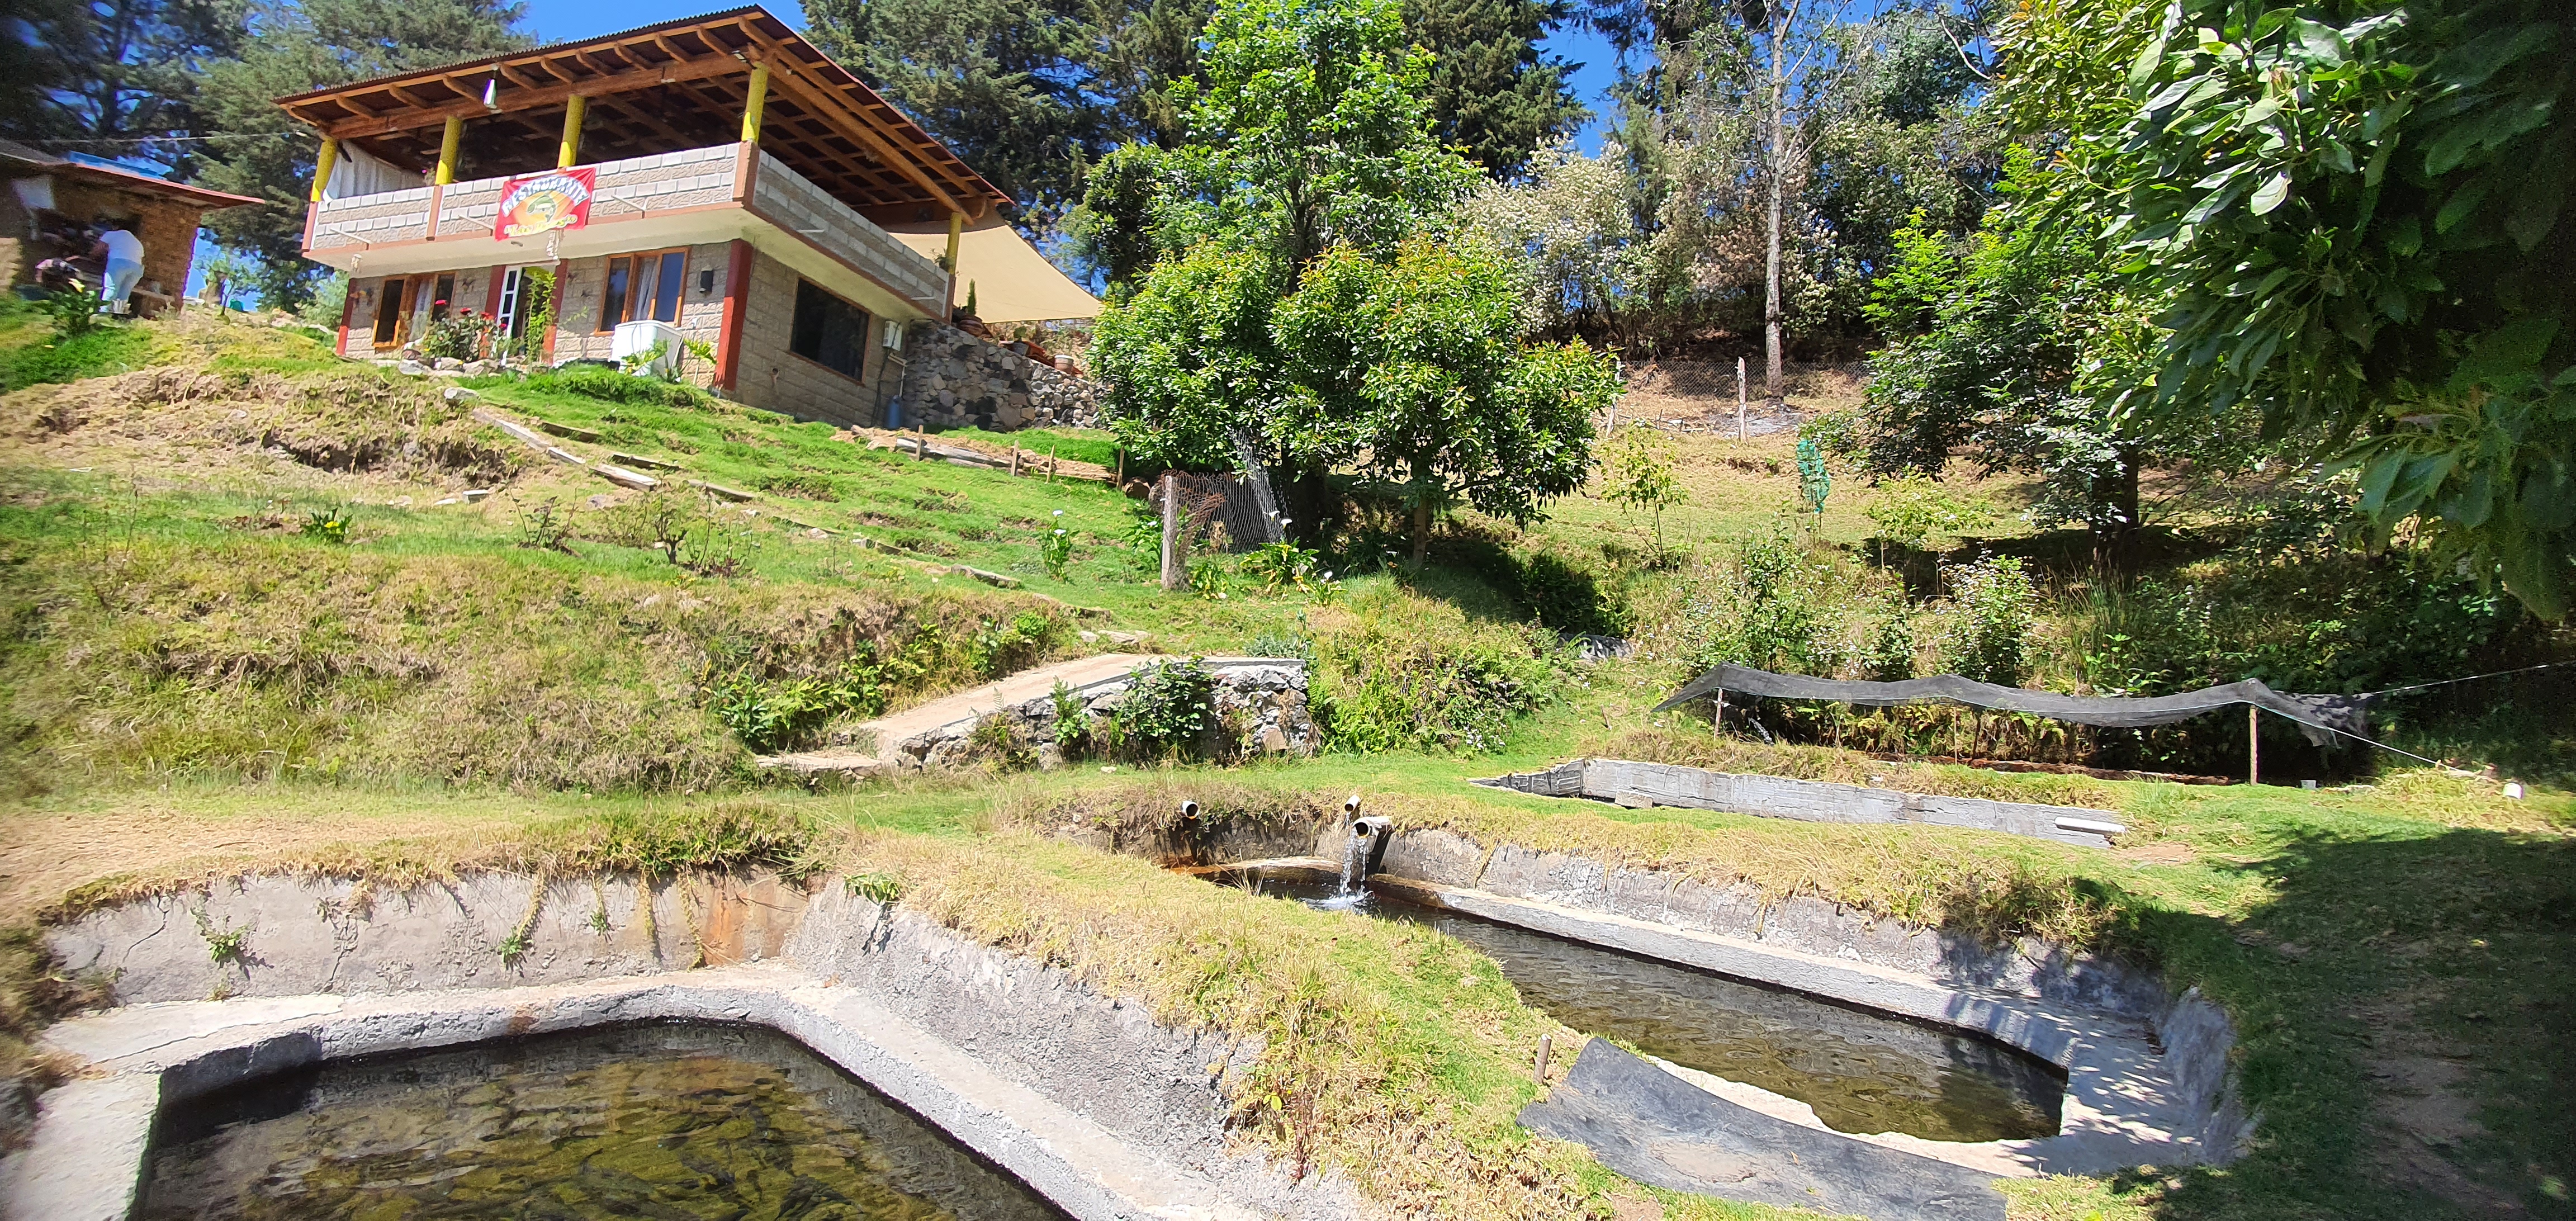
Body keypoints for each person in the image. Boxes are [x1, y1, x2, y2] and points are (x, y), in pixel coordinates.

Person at [89, 220, 145, 315]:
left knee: (111, 288)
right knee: (124, 293)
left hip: (119, 263)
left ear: (116, 227)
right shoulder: (137, 242)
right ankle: (118, 316)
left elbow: (97, 250)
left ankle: (103, 314)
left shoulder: (111, 234)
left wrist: (91, 256)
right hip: (137, 268)